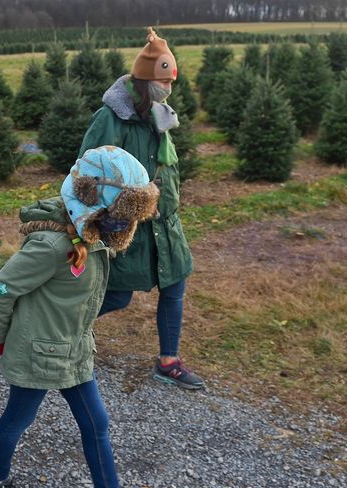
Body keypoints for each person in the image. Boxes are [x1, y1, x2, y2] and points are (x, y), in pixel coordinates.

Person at [0, 146, 169, 488]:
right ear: (91, 199)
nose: (124, 224)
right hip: (40, 351)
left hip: (74, 350)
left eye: (131, 216)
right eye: (121, 213)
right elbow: (1, 288)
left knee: (96, 423)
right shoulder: (52, 247)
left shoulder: (94, 236)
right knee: (18, 418)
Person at [78, 27, 204, 390]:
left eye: (171, 82)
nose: (169, 89)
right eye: (164, 81)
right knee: (116, 294)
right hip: (127, 224)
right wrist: (110, 214)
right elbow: (89, 172)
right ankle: (63, 332)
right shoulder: (111, 117)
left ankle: (169, 361)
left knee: (175, 284)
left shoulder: (160, 115)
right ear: (146, 81)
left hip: (165, 223)